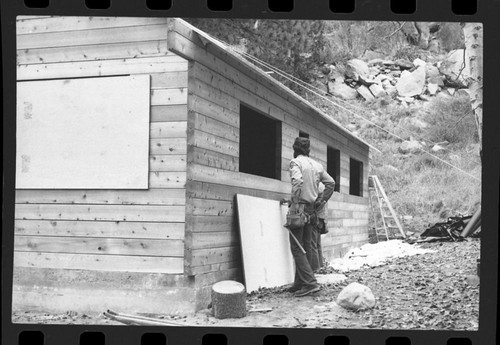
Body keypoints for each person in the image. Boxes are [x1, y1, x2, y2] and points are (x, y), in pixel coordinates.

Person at [287, 137, 335, 297]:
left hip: (299, 208)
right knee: (306, 246)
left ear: (295, 149)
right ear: (308, 150)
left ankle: (310, 283)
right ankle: (299, 282)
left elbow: (298, 182)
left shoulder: (295, 163)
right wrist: (320, 202)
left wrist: (294, 203)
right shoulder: (317, 165)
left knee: (296, 246)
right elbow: (331, 183)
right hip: (311, 210)